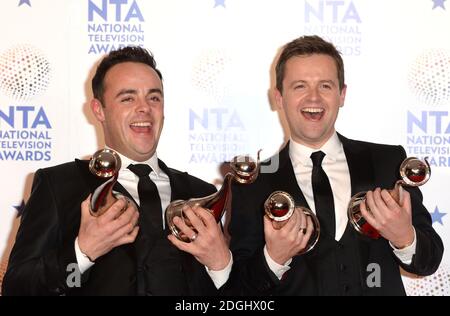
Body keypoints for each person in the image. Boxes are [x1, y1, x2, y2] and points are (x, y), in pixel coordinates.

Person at [2, 46, 231, 296]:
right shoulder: (58, 184)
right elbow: (17, 287)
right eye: (128, 98)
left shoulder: (202, 193)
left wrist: (221, 265)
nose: (144, 108)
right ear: (99, 110)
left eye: (154, 97)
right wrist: (82, 252)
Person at [225, 35, 443, 296]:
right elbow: (239, 290)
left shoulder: (388, 163)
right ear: (279, 98)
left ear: (342, 94)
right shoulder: (253, 185)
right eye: (300, 86)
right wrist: (274, 257)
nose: (313, 98)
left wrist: (404, 236)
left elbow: (428, 261)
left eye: (325, 86)